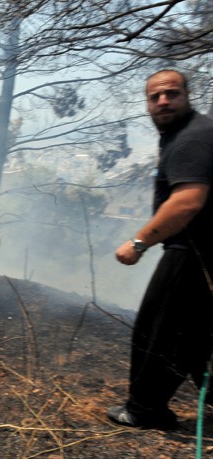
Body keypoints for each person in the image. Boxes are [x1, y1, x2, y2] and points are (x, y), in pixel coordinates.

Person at [107, 69, 213, 429]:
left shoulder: (190, 140)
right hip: (200, 250)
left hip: (192, 249)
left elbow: (187, 202)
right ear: (147, 103)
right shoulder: (186, 134)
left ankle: (145, 408)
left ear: (187, 95)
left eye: (171, 93)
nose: (163, 101)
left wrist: (138, 244)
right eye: (155, 97)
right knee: (198, 333)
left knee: (159, 326)